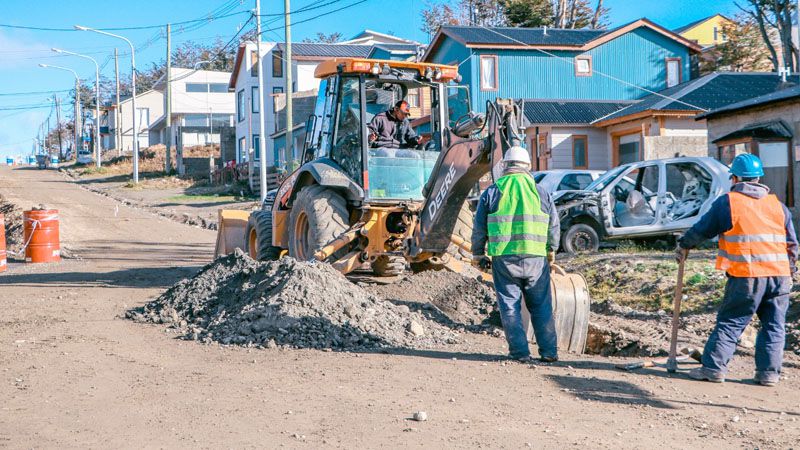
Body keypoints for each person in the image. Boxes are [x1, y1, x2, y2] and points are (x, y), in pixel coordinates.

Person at [676, 153, 797, 386]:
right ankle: (768, 374)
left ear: (736, 177)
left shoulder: (729, 202)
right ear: (759, 178)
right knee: (774, 325)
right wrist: (789, 270)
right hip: (780, 276)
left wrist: (683, 244)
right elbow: (792, 244)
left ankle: (712, 368)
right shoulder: (777, 205)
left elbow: (703, 229)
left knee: (732, 321)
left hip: (747, 276)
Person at [471, 146, 560, 363]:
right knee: (541, 307)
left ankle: (520, 353)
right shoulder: (541, 191)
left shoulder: (492, 192)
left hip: (504, 258)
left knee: (509, 306)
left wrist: (477, 254)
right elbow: (554, 225)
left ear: (504, 166)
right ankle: (549, 352)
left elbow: (479, 227)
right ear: (528, 167)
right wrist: (551, 251)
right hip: (535, 259)